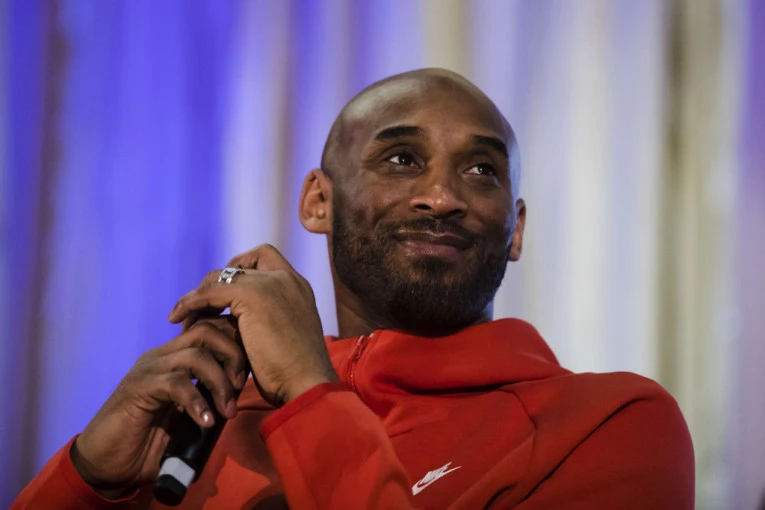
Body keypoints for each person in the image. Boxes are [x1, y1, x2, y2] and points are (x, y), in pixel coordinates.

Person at [13, 68, 694, 509]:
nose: (440, 197)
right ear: (318, 201)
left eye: (481, 171)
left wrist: (311, 391)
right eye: (401, 159)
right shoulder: (200, 421)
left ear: (515, 229)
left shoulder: (610, 423)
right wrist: (88, 478)